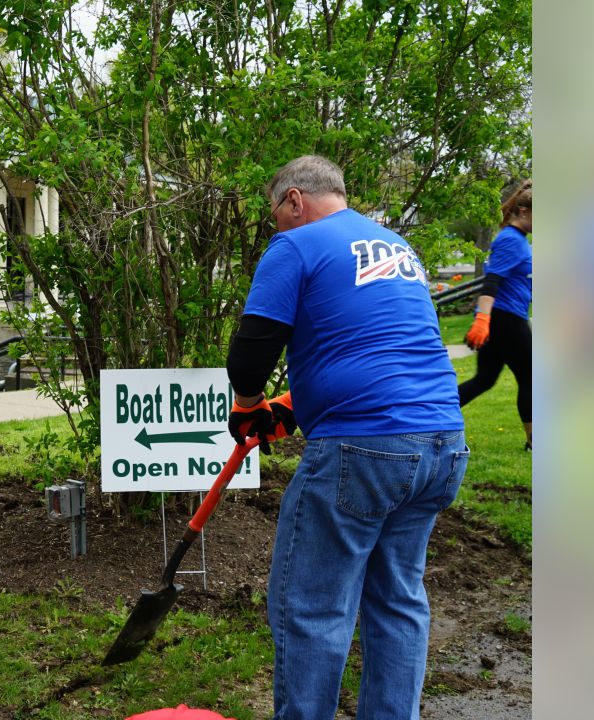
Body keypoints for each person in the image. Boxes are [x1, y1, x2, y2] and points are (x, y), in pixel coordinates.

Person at [225, 155, 469, 719]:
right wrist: (291, 407)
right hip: (441, 442)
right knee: (398, 601)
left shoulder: (297, 244)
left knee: (312, 607)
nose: (276, 229)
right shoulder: (395, 247)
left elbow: (252, 351)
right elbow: (383, 348)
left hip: (364, 447)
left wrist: (249, 406)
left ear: (293, 200)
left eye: (275, 215)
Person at [459, 179, 533, 450]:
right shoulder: (511, 240)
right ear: (524, 212)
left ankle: (433, 417)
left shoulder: (518, 240)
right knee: (532, 377)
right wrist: (482, 319)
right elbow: (492, 282)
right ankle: (534, 442)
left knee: (484, 380)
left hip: (503, 318)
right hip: (506, 320)